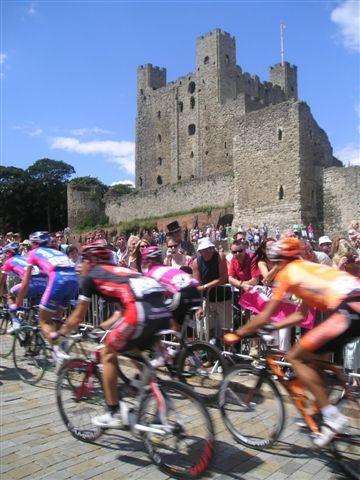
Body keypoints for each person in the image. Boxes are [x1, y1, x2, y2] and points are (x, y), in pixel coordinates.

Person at [227, 237, 360, 447]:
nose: (275, 266)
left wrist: (239, 333)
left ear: (280, 261)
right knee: (313, 359)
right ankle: (319, 409)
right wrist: (275, 327)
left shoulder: (289, 274)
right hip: (352, 304)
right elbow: (301, 314)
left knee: (294, 356)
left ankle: (332, 416)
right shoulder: (306, 269)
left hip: (347, 308)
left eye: (276, 262)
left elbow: (264, 315)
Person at [53, 240, 172, 428]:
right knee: (134, 350)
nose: (80, 265)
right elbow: (119, 311)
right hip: (162, 311)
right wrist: (101, 326)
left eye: (82, 260)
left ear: (90, 260)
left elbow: (77, 316)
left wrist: (59, 334)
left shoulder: (91, 276)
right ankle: (159, 397)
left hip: (140, 311)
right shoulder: (121, 271)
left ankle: (113, 411)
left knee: (108, 352)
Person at [14, 232, 79, 347]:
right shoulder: (58, 252)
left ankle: (59, 354)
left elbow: (26, 281)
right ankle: (62, 348)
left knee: (43, 320)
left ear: (34, 243)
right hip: (73, 280)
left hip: (58, 280)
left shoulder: (33, 253)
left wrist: (18, 302)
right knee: (56, 319)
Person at [0, 242, 47, 330]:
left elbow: (2, 282)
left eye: (5, 253)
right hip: (44, 284)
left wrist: (1, 293)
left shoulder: (9, 261)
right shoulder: (25, 258)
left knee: (11, 294)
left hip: (31, 284)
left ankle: (15, 322)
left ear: (8, 253)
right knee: (34, 309)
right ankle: (33, 326)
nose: (4, 256)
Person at [192, 237, 231, 339]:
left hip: (223, 297)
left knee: (225, 328)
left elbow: (223, 278)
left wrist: (206, 286)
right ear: (200, 251)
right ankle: (210, 351)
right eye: (204, 250)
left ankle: (226, 352)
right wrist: (199, 306)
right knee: (208, 328)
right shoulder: (196, 262)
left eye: (209, 249)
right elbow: (197, 285)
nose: (207, 252)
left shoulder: (220, 257)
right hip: (207, 300)